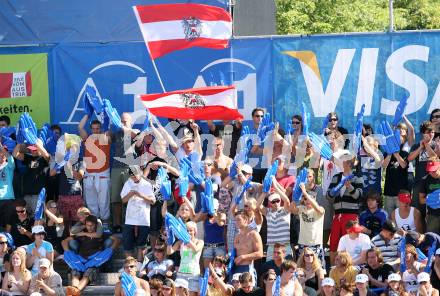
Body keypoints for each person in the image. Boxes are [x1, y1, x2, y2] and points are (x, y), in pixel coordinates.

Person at [327, 154, 364, 264]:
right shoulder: (336, 177)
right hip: (337, 215)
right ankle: (333, 270)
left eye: (345, 161)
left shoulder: (357, 177)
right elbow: (329, 197)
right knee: (333, 243)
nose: (343, 163)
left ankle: (347, 267)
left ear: (350, 164)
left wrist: (350, 187)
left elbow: (359, 196)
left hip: (351, 215)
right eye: (342, 161)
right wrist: (333, 192)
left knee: (349, 242)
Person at [78, 115, 112, 226]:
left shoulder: (105, 138)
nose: (95, 130)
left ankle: (105, 224)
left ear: (101, 128)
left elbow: (109, 132)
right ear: (91, 129)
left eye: (98, 128)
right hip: (89, 175)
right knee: (91, 203)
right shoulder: (87, 139)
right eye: (93, 128)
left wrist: (107, 115)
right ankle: (95, 224)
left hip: (102, 175)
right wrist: (88, 114)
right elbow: (80, 127)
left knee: (104, 202)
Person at [121, 165, 156, 261]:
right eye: (131, 175)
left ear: (140, 173)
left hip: (143, 218)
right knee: (127, 244)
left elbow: (153, 201)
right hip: (130, 218)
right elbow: (123, 200)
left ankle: (140, 265)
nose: (133, 177)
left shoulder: (147, 184)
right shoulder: (128, 183)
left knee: (142, 245)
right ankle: (129, 265)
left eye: (135, 175)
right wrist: (130, 194)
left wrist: (140, 195)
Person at [110, 112, 138, 233]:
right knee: (116, 199)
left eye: (125, 121)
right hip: (116, 168)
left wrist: (122, 126)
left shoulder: (135, 131)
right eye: (121, 121)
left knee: (131, 198)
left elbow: (134, 134)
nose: (122, 123)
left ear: (130, 122)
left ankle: (130, 223)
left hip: (130, 168)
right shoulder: (116, 133)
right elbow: (107, 138)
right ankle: (117, 224)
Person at [256, 177, 294, 261]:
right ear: (270, 203)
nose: (276, 203)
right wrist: (264, 192)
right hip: (272, 247)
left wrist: (276, 187)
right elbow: (258, 205)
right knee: (270, 270)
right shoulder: (268, 212)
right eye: (273, 201)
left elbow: (287, 201)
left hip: (285, 245)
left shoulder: (285, 210)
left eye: (277, 200)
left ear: (280, 200)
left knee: (287, 269)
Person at [290, 179, 325, 268]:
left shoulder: (320, 209)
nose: (307, 200)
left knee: (318, 270)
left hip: (316, 244)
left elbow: (318, 209)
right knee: (301, 270)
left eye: (310, 198)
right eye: (305, 199)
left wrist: (305, 193)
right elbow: (291, 209)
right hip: (303, 244)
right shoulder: (301, 209)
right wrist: (295, 197)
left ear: (315, 199)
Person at [12, 140, 49, 215]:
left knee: (37, 218)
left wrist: (38, 144)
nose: (32, 151)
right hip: (27, 195)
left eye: (34, 149)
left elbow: (47, 156)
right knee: (26, 217)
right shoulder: (29, 158)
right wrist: (19, 142)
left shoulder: (43, 159)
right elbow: (14, 154)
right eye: (31, 149)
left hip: (38, 195)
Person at [167, 221, 204, 296]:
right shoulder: (180, 242)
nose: (189, 232)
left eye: (191, 230)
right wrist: (169, 242)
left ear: (195, 231)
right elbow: (169, 252)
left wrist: (187, 240)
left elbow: (196, 249)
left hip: (193, 274)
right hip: (181, 273)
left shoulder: (200, 241)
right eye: (186, 230)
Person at [231, 211, 263, 282]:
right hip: (236, 269)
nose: (236, 222)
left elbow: (260, 253)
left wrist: (243, 257)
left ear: (245, 220)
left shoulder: (254, 234)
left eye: (238, 220)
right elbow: (235, 253)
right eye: (235, 220)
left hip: (248, 268)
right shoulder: (237, 236)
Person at [419, 159, 440, 233]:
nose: (432, 173)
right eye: (430, 170)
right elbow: (421, 200)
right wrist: (429, 199)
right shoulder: (425, 180)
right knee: (431, 239)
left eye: (434, 170)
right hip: (432, 215)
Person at [0, 146, 15, 231]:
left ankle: (7, 242)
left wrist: (1, 146)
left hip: (7, 199)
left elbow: (10, 157)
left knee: (8, 224)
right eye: (0, 155)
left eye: (3, 155)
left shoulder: (9, 166)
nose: (2, 156)